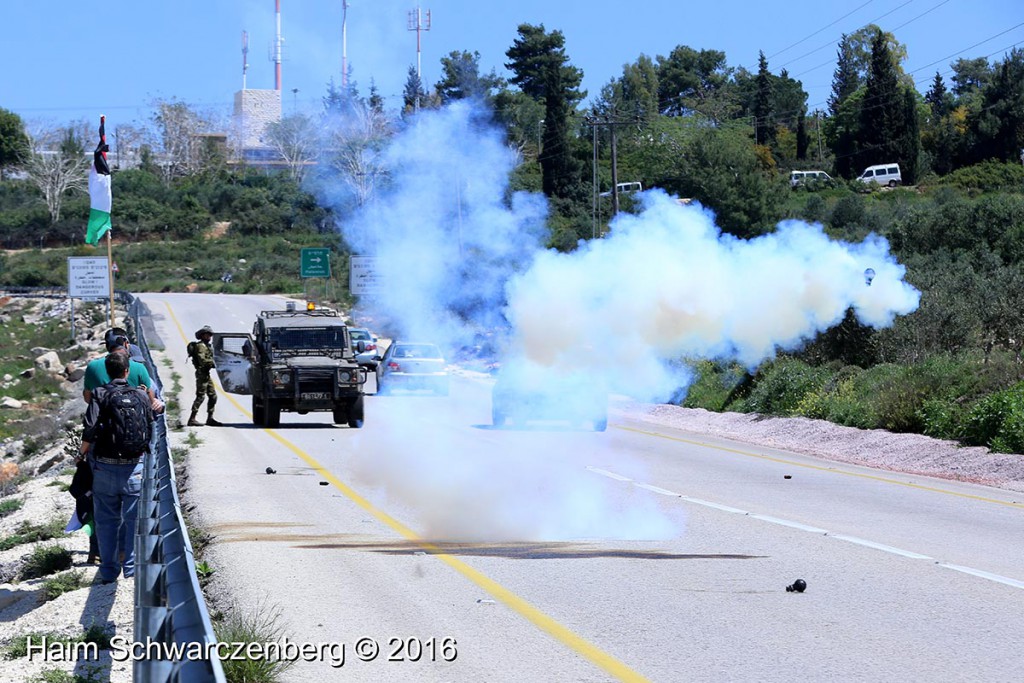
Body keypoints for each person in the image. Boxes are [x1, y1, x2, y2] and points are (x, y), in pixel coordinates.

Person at [79, 352, 157, 583]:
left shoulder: (99, 394)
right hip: (134, 467)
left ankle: (109, 571)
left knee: (106, 522)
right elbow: (151, 427)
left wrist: (81, 454)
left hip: (104, 467)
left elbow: (90, 428)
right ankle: (131, 571)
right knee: (133, 521)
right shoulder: (141, 395)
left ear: (107, 370)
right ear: (127, 371)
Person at [83, 333, 164, 413]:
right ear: (126, 372)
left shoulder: (93, 369)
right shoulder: (140, 371)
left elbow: (88, 398)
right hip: (135, 422)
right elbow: (152, 405)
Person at [188, 325, 222, 427]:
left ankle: (210, 418)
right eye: (208, 335)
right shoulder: (201, 347)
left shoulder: (207, 346)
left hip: (206, 374)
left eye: (210, 335)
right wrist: (214, 363)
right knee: (200, 396)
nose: (210, 337)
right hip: (201, 374)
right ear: (203, 335)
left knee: (213, 396)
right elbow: (202, 360)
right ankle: (192, 419)